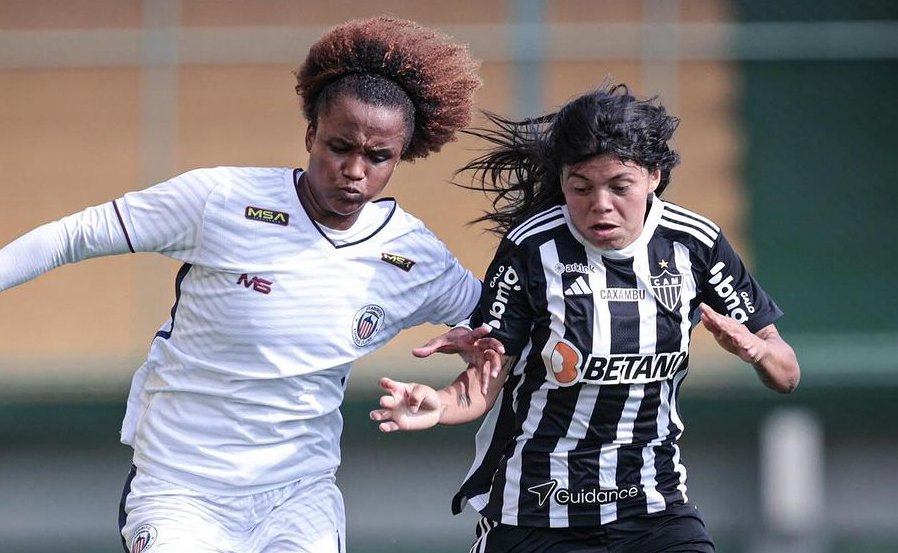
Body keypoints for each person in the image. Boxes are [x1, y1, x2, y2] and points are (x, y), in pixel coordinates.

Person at [0, 16, 502, 553]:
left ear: (399, 158)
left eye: (378, 157)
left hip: (298, 497)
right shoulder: (220, 200)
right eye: (339, 147)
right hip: (178, 490)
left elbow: (504, 337)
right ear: (311, 134)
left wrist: (453, 396)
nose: (354, 170)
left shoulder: (414, 255)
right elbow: (72, 236)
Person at [370, 83, 801, 552]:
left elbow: (787, 373)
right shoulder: (531, 249)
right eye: (581, 187)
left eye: (620, 186)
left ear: (653, 176)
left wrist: (759, 351)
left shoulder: (695, 244)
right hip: (535, 510)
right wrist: (438, 404)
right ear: (562, 181)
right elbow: (484, 383)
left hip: (652, 507)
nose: (600, 204)